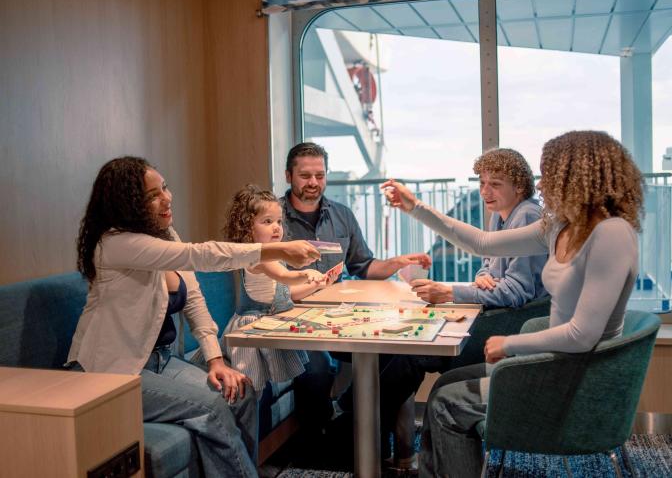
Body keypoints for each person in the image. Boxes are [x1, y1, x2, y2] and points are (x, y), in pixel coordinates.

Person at [382, 131, 644, 477]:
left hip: (574, 378)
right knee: (446, 386)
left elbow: (582, 335)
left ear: (578, 178)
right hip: (551, 362)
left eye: (550, 174)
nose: (542, 183)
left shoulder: (611, 234)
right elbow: (483, 243)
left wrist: (510, 342)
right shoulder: (560, 227)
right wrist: (416, 207)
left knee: (448, 404)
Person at [67, 156, 320, 477]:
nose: (167, 197)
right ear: (127, 203)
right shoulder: (115, 244)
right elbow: (200, 254)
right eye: (152, 195)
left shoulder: (165, 234)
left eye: (165, 188)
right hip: (115, 373)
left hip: (159, 362)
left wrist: (216, 360)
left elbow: (194, 298)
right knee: (213, 407)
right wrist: (278, 250)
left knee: (240, 393)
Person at [281, 141, 430, 466]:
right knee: (315, 371)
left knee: (394, 355)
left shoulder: (341, 215)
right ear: (289, 175)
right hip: (294, 317)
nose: (313, 182)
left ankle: (386, 445)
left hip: (340, 315)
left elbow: (364, 266)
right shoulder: (274, 219)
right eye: (305, 175)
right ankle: (323, 450)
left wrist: (395, 263)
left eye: (319, 175)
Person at [192, 185, 327, 395]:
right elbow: (286, 277)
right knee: (256, 385)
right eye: (267, 222)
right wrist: (307, 272)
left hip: (271, 323)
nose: (276, 228)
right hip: (253, 328)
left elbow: (286, 292)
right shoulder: (258, 257)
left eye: (279, 221)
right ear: (247, 228)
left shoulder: (273, 257)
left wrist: (318, 283)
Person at [410, 148, 547, 309]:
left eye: (495, 184)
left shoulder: (527, 215)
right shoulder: (499, 213)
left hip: (518, 318)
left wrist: (449, 293)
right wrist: (484, 277)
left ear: (519, 187)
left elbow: (518, 292)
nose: (484, 192)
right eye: (482, 183)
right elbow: (488, 262)